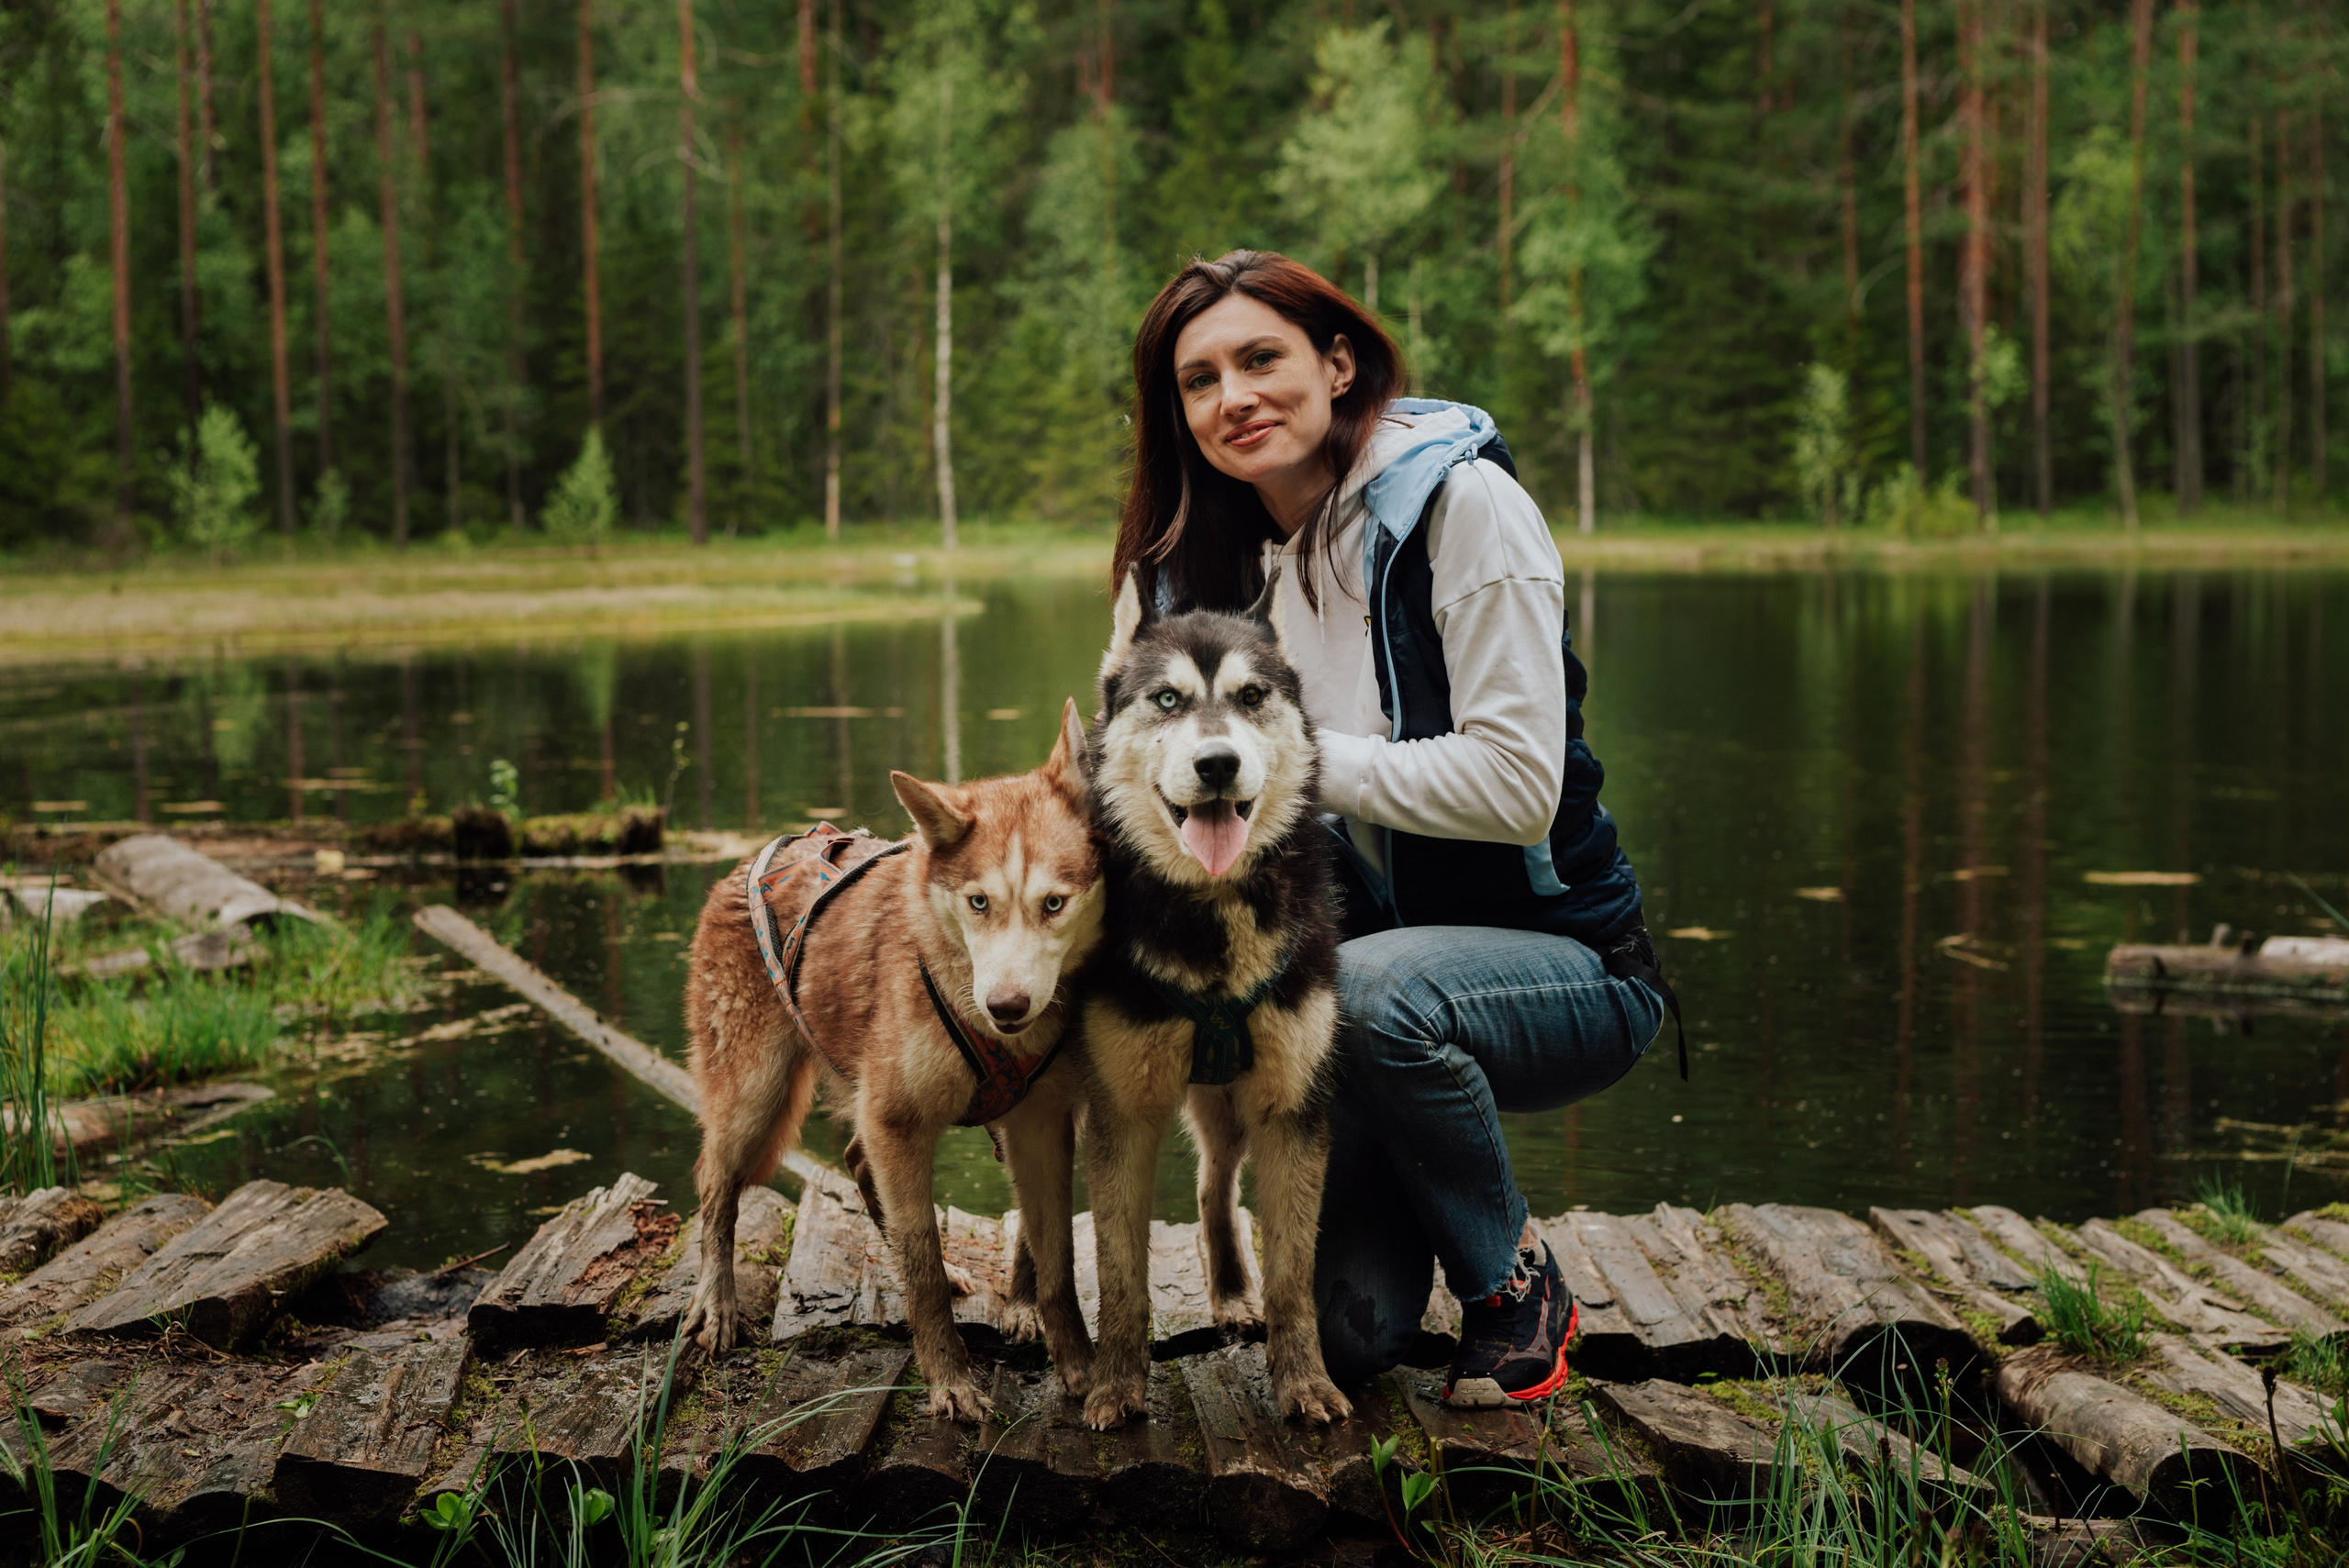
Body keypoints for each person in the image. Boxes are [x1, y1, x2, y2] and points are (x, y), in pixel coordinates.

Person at [1112, 250, 1675, 1408]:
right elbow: (1124, 786)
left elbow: (1518, 784)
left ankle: (1514, 1281)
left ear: (1337, 360)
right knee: (1352, 1335)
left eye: (1262, 358)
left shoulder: (1464, 509)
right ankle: (1413, 1186)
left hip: (1562, 966)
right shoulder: (1178, 573)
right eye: (1200, 377)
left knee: (1368, 990)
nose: (1235, 396)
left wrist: (1288, 760)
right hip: (1343, 981)